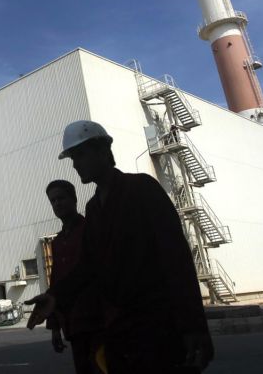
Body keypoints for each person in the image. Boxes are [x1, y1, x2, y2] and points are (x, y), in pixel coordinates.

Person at [27, 120, 213, 373]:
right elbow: (89, 265)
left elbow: (176, 259)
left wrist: (193, 326)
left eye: (80, 155)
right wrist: (55, 296)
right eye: (72, 157)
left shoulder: (142, 190)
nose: (75, 164)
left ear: (103, 151)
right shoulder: (94, 209)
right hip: (121, 330)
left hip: (159, 326)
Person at [44, 179, 97, 374]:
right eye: (53, 201)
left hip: (97, 320)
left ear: (74, 199)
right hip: (73, 324)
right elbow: (55, 280)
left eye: (61, 198)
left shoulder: (90, 229)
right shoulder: (57, 242)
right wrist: (55, 327)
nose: (57, 203)